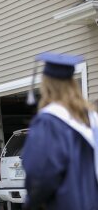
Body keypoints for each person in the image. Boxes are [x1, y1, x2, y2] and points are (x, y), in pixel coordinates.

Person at [22, 52, 98, 210]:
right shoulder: (91, 118)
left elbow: (40, 173)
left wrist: (32, 203)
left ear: (46, 84)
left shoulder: (49, 122)